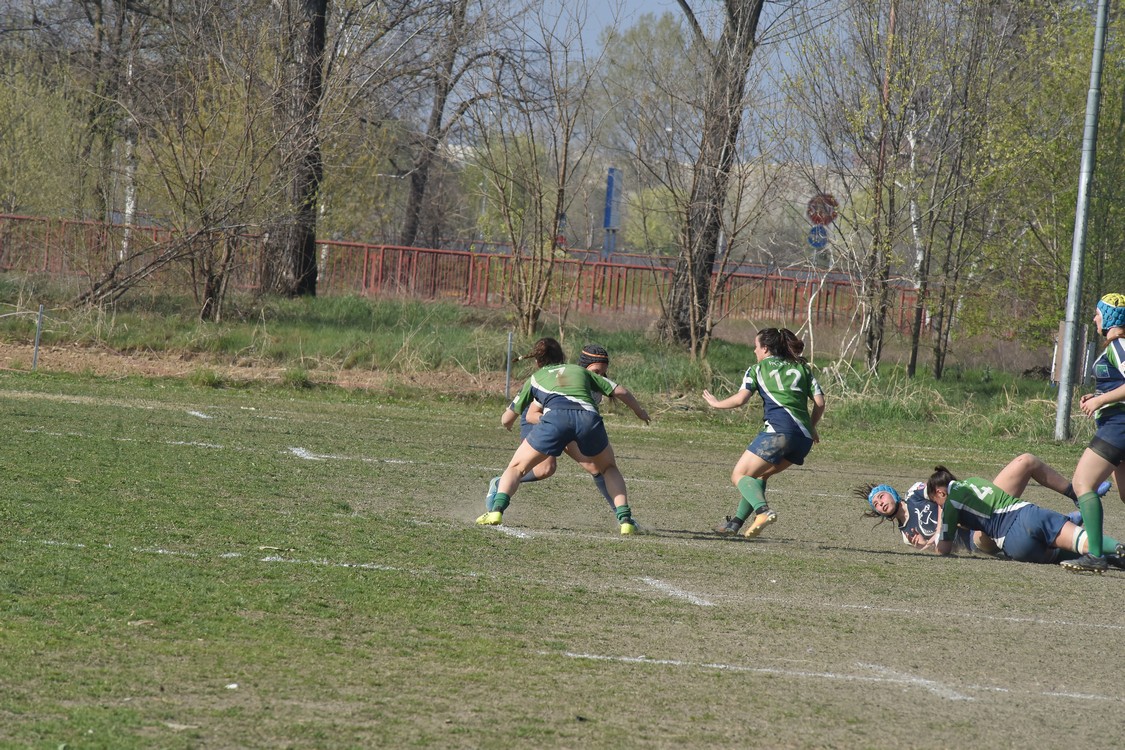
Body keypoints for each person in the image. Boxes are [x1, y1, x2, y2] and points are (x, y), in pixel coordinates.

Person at [476, 337, 650, 534]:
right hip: (546, 421)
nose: (600, 376)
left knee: (597, 468)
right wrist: (556, 426)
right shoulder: (566, 377)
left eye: (603, 372)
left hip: (566, 422)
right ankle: (499, 486)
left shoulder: (588, 381)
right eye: (596, 372)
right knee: (545, 469)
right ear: (583, 366)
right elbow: (532, 414)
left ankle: (624, 518)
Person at [703, 327, 825, 538]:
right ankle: (735, 524)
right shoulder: (801, 368)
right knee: (759, 475)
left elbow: (741, 399)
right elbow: (820, 403)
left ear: (766, 348)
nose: (754, 351)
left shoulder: (757, 369)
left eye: (756, 346)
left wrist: (716, 403)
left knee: (739, 475)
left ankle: (763, 511)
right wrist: (812, 426)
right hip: (804, 439)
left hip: (778, 434)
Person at [857, 453, 1111, 555]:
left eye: (881, 496)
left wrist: (939, 530)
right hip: (977, 536)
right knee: (986, 533)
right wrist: (925, 544)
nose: (880, 503)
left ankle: (1076, 494)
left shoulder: (914, 493)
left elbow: (943, 494)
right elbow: (945, 550)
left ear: (891, 492)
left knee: (1026, 462)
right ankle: (1065, 527)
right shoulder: (907, 536)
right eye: (876, 505)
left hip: (979, 506)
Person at [924, 460, 1125, 567]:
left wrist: (934, 542)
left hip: (1014, 544)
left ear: (940, 492)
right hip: (1026, 515)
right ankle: (1116, 549)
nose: (938, 506)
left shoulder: (950, 504)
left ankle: (1111, 557)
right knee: (1083, 540)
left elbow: (943, 549)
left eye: (936, 502)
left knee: (1063, 554)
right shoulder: (975, 481)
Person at [1063, 292, 1125, 572]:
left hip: (1118, 426)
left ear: (1110, 318)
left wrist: (1100, 401)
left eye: (1098, 314)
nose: (1094, 319)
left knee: (1082, 483)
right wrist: (1098, 396)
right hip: (1117, 424)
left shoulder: (1119, 345)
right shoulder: (1116, 346)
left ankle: (1096, 555)